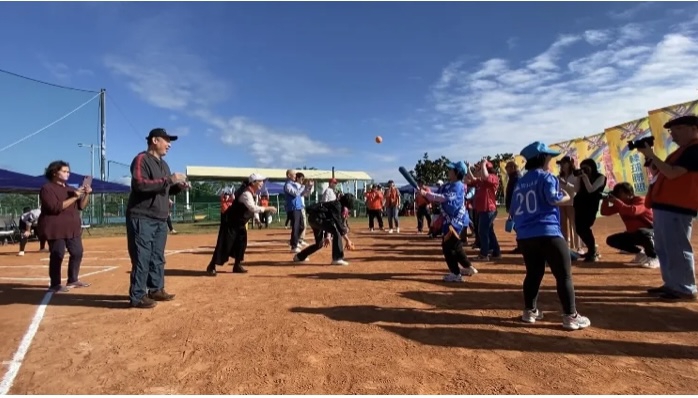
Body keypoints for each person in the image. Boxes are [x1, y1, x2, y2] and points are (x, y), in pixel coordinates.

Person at [510, 141, 590, 331]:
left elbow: (513, 209)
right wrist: (568, 197)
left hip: (526, 236)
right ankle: (570, 316)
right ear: (543, 158)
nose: (551, 161)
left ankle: (530, 311)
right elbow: (553, 198)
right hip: (548, 232)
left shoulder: (520, 182)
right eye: (549, 157)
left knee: (533, 273)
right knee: (563, 276)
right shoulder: (546, 177)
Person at [126, 128, 188, 309]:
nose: (169, 145)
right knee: (142, 256)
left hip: (160, 218)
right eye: (166, 140)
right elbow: (140, 184)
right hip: (142, 217)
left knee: (157, 257)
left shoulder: (164, 165)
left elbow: (164, 189)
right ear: (155, 140)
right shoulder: (141, 159)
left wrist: (178, 186)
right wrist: (169, 180)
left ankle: (156, 289)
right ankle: (137, 295)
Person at [640, 115, 698, 301]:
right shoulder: (680, 152)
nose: (673, 135)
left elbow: (672, 174)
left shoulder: (694, 150)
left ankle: (685, 288)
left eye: (677, 130)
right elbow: (662, 173)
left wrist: (652, 155)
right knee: (664, 247)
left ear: (693, 128)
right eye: (671, 131)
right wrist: (650, 160)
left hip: (677, 206)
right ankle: (672, 284)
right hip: (665, 205)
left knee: (678, 247)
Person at [206, 174, 277, 276]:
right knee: (225, 244)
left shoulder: (252, 193)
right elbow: (252, 207)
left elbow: (252, 208)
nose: (262, 183)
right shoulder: (246, 193)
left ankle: (237, 265)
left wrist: (257, 219)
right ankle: (211, 266)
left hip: (240, 223)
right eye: (260, 181)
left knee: (241, 244)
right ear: (253, 183)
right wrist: (268, 208)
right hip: (230, 222)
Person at [38, 160, 92, 292]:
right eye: (64, 171)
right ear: (55, 172)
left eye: (68, 171)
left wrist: (86, 194)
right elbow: (55, 207)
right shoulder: (47, 189)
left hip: (72, 228)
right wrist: (74, 197)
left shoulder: (71, 189)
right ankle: (55, 284)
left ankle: (73, 279)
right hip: (55, 229)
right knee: (57, 254)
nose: (67, 174)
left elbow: (81, 206)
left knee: (77, 252)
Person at [420, 161, 477, 283]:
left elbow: (443, 198)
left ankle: (455, 273)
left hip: (455, 221)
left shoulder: (458, 186)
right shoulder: (449, 185)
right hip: (450, 220)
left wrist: (427, 194)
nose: (448, 171)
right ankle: (468, 267)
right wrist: (426, 190)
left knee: (447, 247)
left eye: (451, 170)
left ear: (457, 173)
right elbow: (438, 191)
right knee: (456, 245)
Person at [600, 183, 657, 268]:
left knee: (643, 232)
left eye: (620, 193)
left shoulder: (640, 200)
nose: (617, 195)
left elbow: (633, 211)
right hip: (635, 234)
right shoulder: (621, 204)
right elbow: (605, 212)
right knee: (612, 240)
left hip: (654, 232)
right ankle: (640, 254)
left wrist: (616, 201)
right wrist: (605, 200)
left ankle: (654, 257)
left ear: (629, 193)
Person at [293, 193, 355, 266]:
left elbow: (331, 221)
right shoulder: (337, 206)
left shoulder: (338, 205)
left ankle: (299, 257)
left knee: (319, 244)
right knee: (337, 232)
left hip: (314, 219)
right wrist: (347, 240)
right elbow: (338, 226)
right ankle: (337, 258)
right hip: (316, 219)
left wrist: (327, 236)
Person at [573, 158, 607, 262]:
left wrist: (585, 177)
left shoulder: (601, 177)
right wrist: (579, 177)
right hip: (579, 203)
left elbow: (591, 189)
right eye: (582, 168)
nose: (584, 170)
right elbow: (576, 189)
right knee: (579, 228)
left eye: (586, 168)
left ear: (592, 167)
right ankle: (591, 249)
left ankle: (592, 251)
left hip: (591, 205)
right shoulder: (582, 177)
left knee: (585, 227)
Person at [467, 159, 501, 261]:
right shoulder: (481, 181)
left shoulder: (493, 177)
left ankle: (484, 254)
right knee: (489, 231)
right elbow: (470, 179)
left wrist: (483, 164)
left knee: (483, 231)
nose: (478, 171)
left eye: (480, 169)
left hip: (488, 209)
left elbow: (486, 176)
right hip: (483, 210)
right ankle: (496, 252)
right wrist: (469, 168)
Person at [557, 156, 581, 252]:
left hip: (572, 202)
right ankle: (565, 246)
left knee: (574, 225)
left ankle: (577, 246)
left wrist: (566, 183)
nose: (562, 166)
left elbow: (577, 189)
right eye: (561, 164)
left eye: (564, 163)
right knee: (563, 225)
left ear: (570, 163)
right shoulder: (560, 176)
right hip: (562, 202)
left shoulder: (575, 175)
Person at [284, 169, 312, 253]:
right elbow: (296, 193)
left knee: (302, 226)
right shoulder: (288, 185)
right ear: (289, 175)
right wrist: (303, 186)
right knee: (295, 227)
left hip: (298, 207)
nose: (295, 176)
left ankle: (295, 241)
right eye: (294, 175)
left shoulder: (294, 184)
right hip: (293, 208)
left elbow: (303, 194)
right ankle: (294, 246)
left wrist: (308, 187)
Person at [504, 161, 522, 254]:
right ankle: (521, 246)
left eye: (508, 167)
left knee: (518, 226)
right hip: (514, 205)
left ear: (513, 168)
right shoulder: (513, 177)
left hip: (517, 206)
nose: (506, 170)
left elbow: (516, 193)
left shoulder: (517, 177)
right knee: (517, 227)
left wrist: (512, 206)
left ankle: (522, 246)